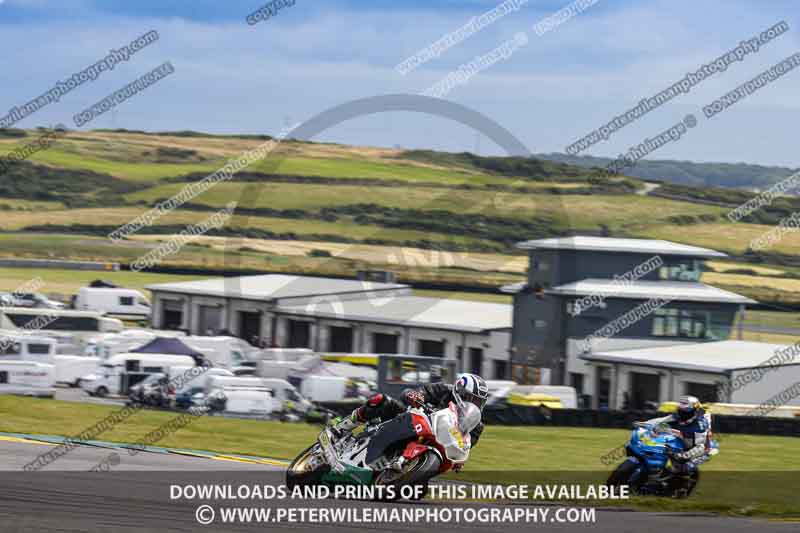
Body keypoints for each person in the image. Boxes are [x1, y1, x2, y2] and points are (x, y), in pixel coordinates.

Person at [330, 373, 489, 446]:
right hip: (410, 421)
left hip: (435, 442)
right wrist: (416, 397)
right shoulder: (443, 390)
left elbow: (466, 445)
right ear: (460, 391)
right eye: (471, 398)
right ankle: (342, 427)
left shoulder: (476, 425)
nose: (474, 404)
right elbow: (418, 393)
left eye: (478, 401)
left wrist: (459, 453)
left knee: (417, 492)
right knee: (382, 400)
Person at [643, 395, 714, 493]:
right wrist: (647, 425)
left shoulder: (699, 425)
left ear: (694, 411)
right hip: (682, 439)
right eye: (680, 410)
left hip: (701, 448)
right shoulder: (677, 415)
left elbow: (701, 446)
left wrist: (684, 456)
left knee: (683, 467)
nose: (682, 414)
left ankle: (678, 489)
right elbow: (662, 422)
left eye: (686, 412)